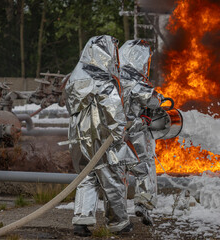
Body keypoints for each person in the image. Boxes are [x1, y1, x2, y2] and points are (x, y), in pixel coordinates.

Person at [65, 35, 137, 237]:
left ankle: (81, 220)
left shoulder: (75, 77)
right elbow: (113, 109)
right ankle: (119, 223)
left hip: (78, 137)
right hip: (101, 136)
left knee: (87, 176)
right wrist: (121, 130)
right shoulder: (103, 78)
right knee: (112, 177)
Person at [119, 39, 164, 226]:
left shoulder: (113, 80)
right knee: (144, 168)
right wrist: (159, 97)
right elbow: (153, 101)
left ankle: (116, 214)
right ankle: (143, 203)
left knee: (116, 172)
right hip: (135, 133)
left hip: (114, 135)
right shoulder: (136, 83)